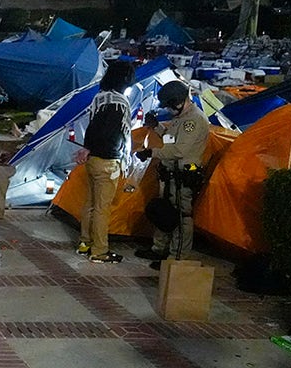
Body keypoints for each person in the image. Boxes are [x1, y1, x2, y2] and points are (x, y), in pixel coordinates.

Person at [133, 80, 210, 269]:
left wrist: (151, 152)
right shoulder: (181, 117)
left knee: (181, 217)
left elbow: (178, 150)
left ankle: (177, 258)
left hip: (183, 174)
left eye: (168, 105)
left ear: (177, 101)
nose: (167, 109)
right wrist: (157, 127)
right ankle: (159, 249)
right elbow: (170, 139)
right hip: (170, 174)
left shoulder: (193, 120)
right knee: (164, 212)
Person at [74, 62, 134, 263]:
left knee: (90, 204)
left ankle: (85, 243)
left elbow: (93, 126)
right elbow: (107, 130)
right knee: (102, 208)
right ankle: (99, 251)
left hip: (93, 159)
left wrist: (87, 148)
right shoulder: (118, 102)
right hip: (107, 160)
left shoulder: (100, 97)